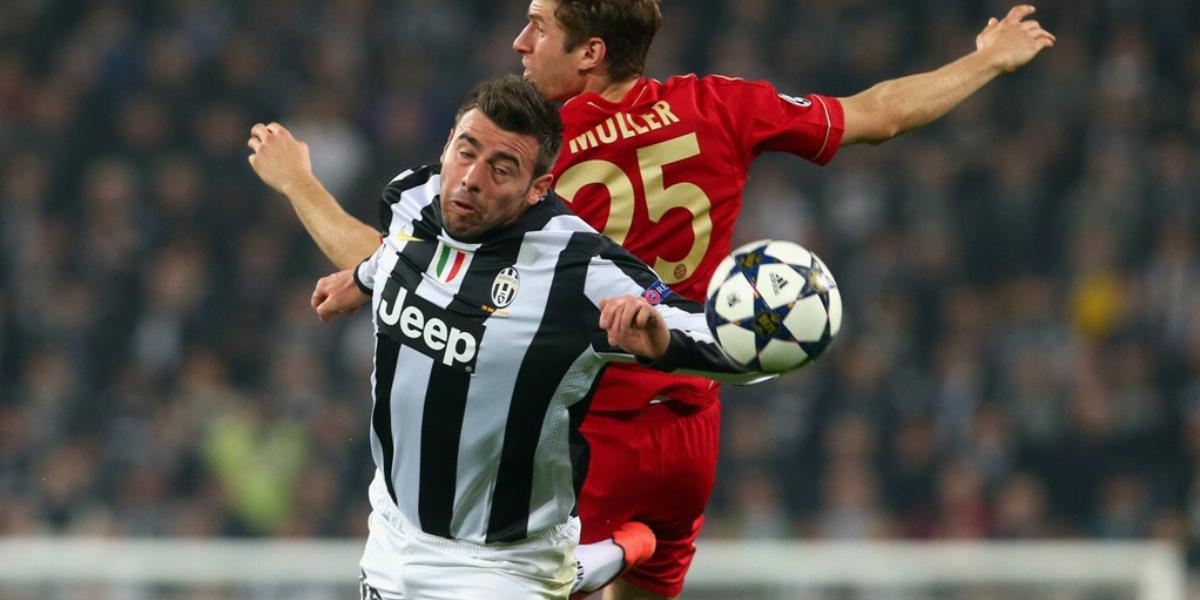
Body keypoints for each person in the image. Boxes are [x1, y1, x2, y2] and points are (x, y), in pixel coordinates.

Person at [249, 3, 1055, 597]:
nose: (521, 45)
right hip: (692, 422)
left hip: (583, 438)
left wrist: (307, 197)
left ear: (590, 54)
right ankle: (635, 547)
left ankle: (609, 550)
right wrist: (987, 60)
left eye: (538, 29)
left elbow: (409, 267)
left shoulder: (532, 173)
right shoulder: (722, 105)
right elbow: (875, 117)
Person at [256, 75, 769, 598]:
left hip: (502, 567)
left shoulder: (580, 267)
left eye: (502, 170)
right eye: (465, 152)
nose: (471, 179)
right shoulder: (415, 196)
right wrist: (364, 276)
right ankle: (611, 552)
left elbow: (724, 340)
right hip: (390, 533)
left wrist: (660, 343)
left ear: (538, 189)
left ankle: (597, 557)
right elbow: (401, 251)